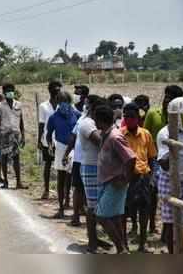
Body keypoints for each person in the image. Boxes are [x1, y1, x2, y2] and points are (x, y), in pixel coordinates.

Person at [95, 105, 136, 254]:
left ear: (101, 120)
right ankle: (123, 249)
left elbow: (131, 158)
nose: (94, 122)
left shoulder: (114, 136)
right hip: (107, 181)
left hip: (115, 182)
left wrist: (126, 179)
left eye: (95, 119)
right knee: (115, 217)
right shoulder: (105, 134)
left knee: (102, 216)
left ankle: (120, 249)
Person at [144, 85, 183, 234]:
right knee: (153, 192)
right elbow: (145, 135)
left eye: (171, 97)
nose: (166, 100)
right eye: (166, 96)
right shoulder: (153, 113)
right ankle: (152, 224)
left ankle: (167, 231)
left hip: (177, 160)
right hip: (156, 158)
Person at [157, 97, 183, 254]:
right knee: (172, 224)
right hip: (171, 181)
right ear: (178, 114)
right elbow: (163, 162)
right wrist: (173, 152)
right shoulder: (165, 133)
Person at [121, 103, 157, 252]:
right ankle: (124, 245)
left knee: (144, 211)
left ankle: (142, 244)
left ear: (138, 118)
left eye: (132, 117)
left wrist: (151, 178)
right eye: (126, 117)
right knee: (124, 212)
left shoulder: (146, 134)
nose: (129, 120)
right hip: (127, 179)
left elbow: (152, 157)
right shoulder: (120, 134)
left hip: (143, 177)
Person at [78, 95, 111, 253]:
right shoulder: (87, 124)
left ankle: (96, 239)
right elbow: (100, 141)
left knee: (100, 206)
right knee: (93, 207)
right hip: (91, 167)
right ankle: (92, 242)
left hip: (101, 167)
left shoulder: (97, 124)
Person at [46, 92, 80, 219]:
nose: (63, 104)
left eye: (65, 101)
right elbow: (49, 134)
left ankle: (69, 202)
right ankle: (60, 207)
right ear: (57, 103)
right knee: (61, 178)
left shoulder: (76, 115)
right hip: (60, 148)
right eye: (61, 102)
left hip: (74, 149)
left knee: (71, 178)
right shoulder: (54, 117)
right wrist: (50, 145)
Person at [0, 83, 26, 189]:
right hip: (4, 134)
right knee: (4, 157)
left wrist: (23, 135)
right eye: (8, 90)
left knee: (16, 158)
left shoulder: (19, 104)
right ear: (4, 93)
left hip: (16, 134)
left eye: (11, 90)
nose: (10, 92)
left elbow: (21, 121)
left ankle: (18, 182)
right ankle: (6, 182)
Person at [38, 80, 62, 199]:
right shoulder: (43, 106)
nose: (56, 91)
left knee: (61, 167)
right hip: (47, 140)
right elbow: (41, 124)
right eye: (54, 89)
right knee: (48, 164)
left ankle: (60, 192)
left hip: (61, 140)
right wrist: (39, 139)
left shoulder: (63, 106)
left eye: (58, 89)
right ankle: (46, 190)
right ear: (49, 90)